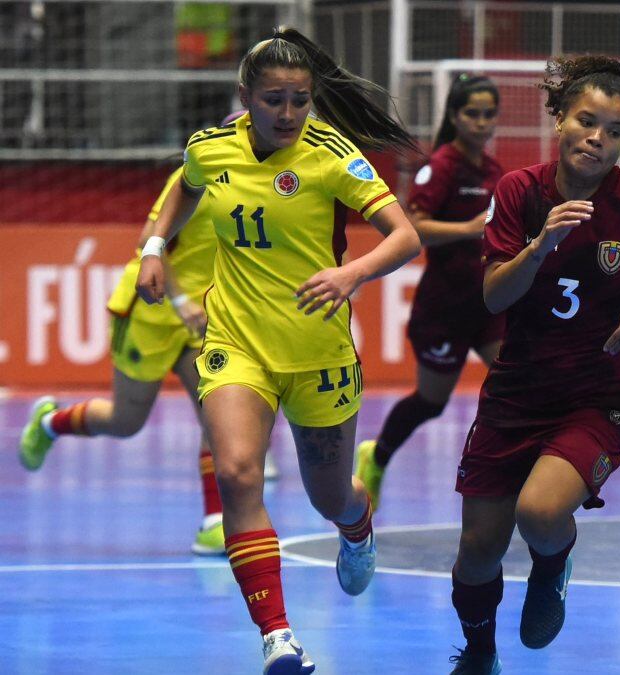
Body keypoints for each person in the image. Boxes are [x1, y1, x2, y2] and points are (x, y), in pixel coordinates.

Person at [135, 28, 423, 675]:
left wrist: (351, 275)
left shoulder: (331, 154)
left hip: (318, 353)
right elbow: (183, 186)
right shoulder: (212, 149)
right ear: (247, 97)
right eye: (274, 101)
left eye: (299, 100)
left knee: (329, 495)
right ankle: (279, 635)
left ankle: (357, 523)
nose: (288, 114)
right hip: (237, 344)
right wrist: (155, 247)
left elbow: (404, 236)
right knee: (238, 473)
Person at [446, 55, 620, 675]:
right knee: (477, 551)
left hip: (596, 392)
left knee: (542, 513)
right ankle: (478, 654)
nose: (597, 139)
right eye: (586, 121)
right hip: (517, 389)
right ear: (558, 120)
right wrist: (540, 244)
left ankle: (552, 566)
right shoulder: (519, 192)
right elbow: (494, 296)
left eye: (614, 131)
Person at [18, 120, 251, 556]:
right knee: (126, 421)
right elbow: (150, 240)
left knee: (217, 415)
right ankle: (49, 423)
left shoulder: (265, 186)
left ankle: (215, 522)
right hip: (154, 309)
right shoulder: (193, 177)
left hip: (207, 321)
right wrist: (181, 302)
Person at [355, 74, 505, 508]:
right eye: (472, 113)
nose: (481, 122)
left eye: (488, 114)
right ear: (455, 116)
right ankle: (376, 456)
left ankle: (503, 476)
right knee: (432, 402)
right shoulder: (440, 167)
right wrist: (468, 228)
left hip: (488, 304)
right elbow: (413, 227)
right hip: (444, 308)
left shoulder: (495, 172)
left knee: (515, 377)